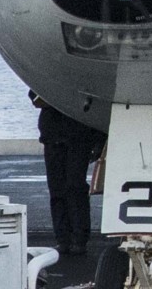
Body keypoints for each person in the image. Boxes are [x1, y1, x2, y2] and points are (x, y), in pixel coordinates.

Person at [31, 88, 107, 255]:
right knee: (58, 189)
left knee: (75, 187)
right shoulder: (48, 76)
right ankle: (63, 239)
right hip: (55, 135)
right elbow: (36, 99)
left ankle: (78, 238)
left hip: (78, 136)